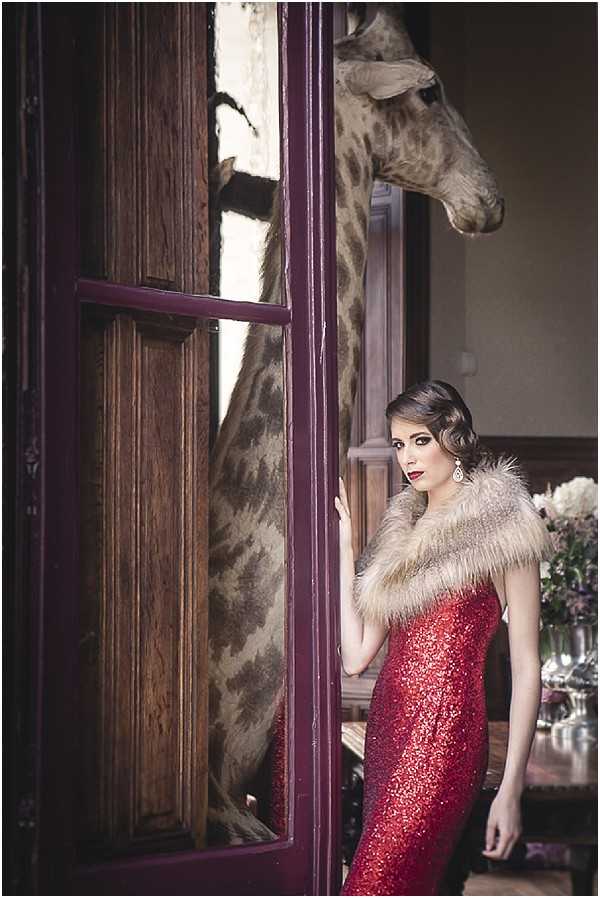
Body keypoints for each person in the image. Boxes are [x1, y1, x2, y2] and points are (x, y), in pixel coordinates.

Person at [335, 380, 554, 896]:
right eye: (398, 443)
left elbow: (527, 670)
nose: (407, 457)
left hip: (446, 741)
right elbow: (356, 657)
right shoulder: (399, 537)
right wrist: (346, 551)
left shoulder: (505, 527)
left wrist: (511, 789)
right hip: (387, 734)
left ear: (451, 437)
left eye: (420, 440)